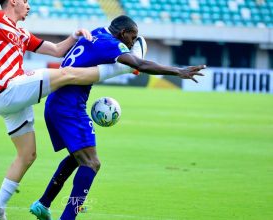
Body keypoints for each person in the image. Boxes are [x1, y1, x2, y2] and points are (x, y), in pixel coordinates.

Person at [0, 1, 153, 220]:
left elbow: (56, 50)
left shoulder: (23, 34)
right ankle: (127, 67)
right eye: (25, 1)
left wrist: (74, 35)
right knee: (67, 74)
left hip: (12, 102)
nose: (29, 6)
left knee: (27, 156)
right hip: (9, 88)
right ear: (13, 2)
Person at [29, 15, 206, 220]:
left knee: (78, 157)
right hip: (69, 108)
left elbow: (108, 60)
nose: (132, 42)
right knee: (92, 163)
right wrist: (177, 71)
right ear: (123, 34)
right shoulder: (112, 45)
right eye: (132, 37)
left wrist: (128, 65)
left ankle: (43, 204)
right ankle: (67, 217)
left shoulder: (97, 33)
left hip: (56, 100)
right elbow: (140, 62)